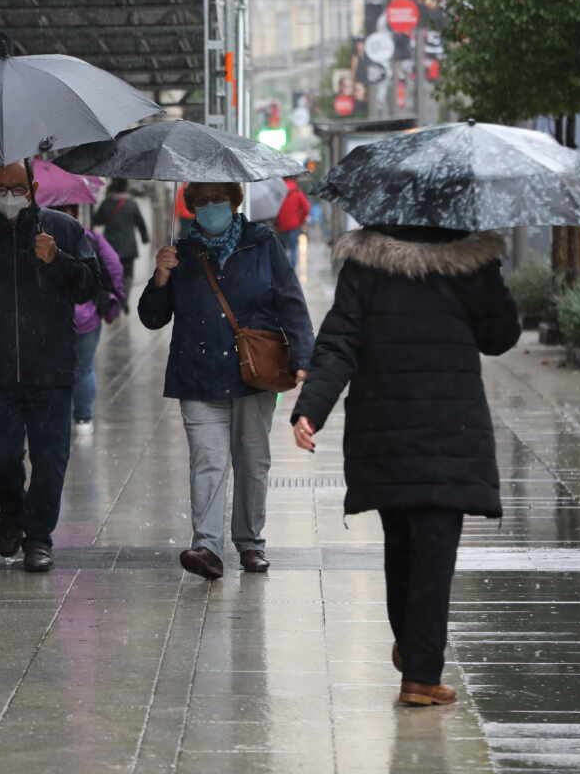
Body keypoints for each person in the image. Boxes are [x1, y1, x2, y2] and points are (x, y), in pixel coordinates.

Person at [289, 226, 520, 707]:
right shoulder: (471, 263)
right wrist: (490, 271)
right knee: (435, 555)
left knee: (402, 546)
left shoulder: (367, 262)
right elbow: (500, 337)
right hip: (449, 428)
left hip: (385, 426)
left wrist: (311, 408)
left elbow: (339, 341)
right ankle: (420, 673)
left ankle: (416, 652)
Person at [138, 182, 315, 580]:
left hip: (254, 372)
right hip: (197, 373)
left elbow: (291, 300)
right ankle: (207, 546)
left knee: (252, 462)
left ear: (235, 203)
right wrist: (161, 277)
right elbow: (151, 317)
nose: (210, 208)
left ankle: (250, 543)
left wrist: (303, 356)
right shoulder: (180, 252)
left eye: (218, 200)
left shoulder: (261, 242)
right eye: (201, 202)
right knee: (208, 461)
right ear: (191, 209)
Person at [0, 162, 100, 573]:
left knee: (51, 459)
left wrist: (56, 259)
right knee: (1, 454)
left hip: (51, 370)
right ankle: (11, 511)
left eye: (16, 187)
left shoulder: (62, 229)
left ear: (32, 187)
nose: (8, 195)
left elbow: (90, 286)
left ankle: (39, 537)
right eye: (0, 187)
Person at [58, 204, 125, 435]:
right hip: (88, 316)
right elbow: (114, 265)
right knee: (84, 369)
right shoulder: (90, 238)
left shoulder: (39, 240)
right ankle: (84, 419)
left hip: (53, 318)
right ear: (75, 213)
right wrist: (116, 297)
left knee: (57, 370)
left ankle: (60, 418)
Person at [93, 179, 149, 284]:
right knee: (127, 276)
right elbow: (141, 224)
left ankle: (115, 297)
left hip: (110, 247)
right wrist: (144, 238)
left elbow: (97, 221)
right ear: (126, 188)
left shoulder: (106, 203)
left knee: (111, 274)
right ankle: (125, 298)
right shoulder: (132, 204)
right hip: (129, 249)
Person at [276, 177, 312, 271]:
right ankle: (291, 272)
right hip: (294, 225)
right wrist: (301, 220)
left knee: (282, 250)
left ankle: (282, 271)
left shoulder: (278, 191)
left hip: (281, 225)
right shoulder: (297, 192)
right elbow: (307, 208)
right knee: (293, 248)